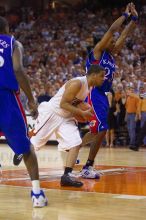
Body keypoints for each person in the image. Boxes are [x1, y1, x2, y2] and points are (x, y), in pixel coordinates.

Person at [80, 3, 139, 178]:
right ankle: (88, 166)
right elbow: (114, 30)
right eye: (112, 41)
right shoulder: (97, 52)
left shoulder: (111, 56)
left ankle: (73, 148)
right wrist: (125, 15)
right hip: (93, 92)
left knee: (97, 130)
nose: (115, 42)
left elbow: (125, 34)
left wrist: (134, 19)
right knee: (103, 128)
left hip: (103, 95)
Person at [30, 65, 105, 187]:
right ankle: (21, 149)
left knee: (75, 143)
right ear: (94, 75)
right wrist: (81, 113)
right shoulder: (78, 83)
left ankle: (66, 176)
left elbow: (74, 101)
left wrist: (83, 106)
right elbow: (63, 103)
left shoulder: (89, 87)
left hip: (66, 117)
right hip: (53, 113)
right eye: (101, 76)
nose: (103, 79)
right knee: (35, 145)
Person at [0, 16, 47, 207]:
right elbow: (18, 69)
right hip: (6, 98)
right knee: (26, 148)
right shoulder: (13, 43)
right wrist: (31, 99)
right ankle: (37, 195)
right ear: (8, 28)